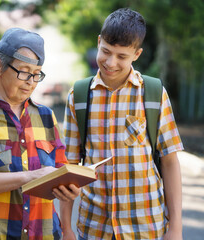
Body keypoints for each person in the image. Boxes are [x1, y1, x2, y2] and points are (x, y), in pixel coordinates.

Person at [63, 8, 184, 240]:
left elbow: (169, 162)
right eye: (106, 51)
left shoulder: (154, 94)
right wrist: (66, 228)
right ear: (99, 42)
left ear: (136, 54)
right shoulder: (78, 96)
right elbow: (69, 166)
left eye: (122, 56)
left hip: (146, 227)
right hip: (94, 227)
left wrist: (176, 228)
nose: (110, 62)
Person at [0, 28, 80, 240]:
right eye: (23, 71)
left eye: (37, 73)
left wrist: (69, 188)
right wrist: (30, 176)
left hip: (43, 233)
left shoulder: (46, 116)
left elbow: (59, 171)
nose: (31, 81)